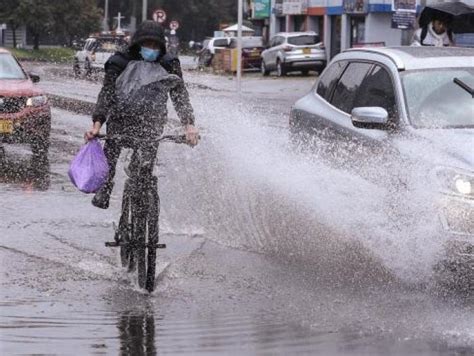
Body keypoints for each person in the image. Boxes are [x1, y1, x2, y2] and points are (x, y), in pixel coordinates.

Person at [85, 20, 199, 209]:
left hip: (151, 123)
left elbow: (179, 95)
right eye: (147, 45)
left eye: (155, 46)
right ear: (137, 45)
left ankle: (145, 204)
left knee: (145, 168)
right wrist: (97, 124)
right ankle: (105, 188)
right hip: (120, 120)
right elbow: (106, 94)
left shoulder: (169, 64)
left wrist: (189, 125)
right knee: (110, 154)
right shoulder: (119, 62)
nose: (151, 49)